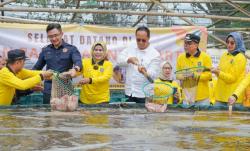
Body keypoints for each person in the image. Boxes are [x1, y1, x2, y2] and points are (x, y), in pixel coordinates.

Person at [33, 23, 82, 104]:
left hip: (65, 89)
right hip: (49, 90)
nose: (54, 38)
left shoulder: (71, 49)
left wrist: (75, 69)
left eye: (56, 35)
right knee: (48, 114)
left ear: (61, 34)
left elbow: (78, 61)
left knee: (65, 115)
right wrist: (29, 80)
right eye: (50, 36)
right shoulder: (45, 50)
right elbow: (36, 68)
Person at [117, 26, 160, 103]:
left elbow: (154, 75)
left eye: (143, 40)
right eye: (138, 40)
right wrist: (129, 60)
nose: (140, 42)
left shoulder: (155, 54)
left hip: (145, 95)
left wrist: (145, 71)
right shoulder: (130, 48)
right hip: (129, 93)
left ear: (148, 38)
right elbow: (119, 61)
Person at [211, 32, 246, 108]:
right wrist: (216, 71)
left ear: (238, 43)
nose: (229, 45)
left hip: (233, 99)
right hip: (220, 97)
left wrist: (218, 72)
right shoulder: (224, 55)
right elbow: (220, 75)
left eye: (232, 43)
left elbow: (232, 78)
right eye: (227, 42)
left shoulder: (240, 58)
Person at [176, 33, 212, 106]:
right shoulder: (180, 57)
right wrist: (184, 76)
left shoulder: (205, 57)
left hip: (202, 98)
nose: (185, 45)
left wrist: (194, 75)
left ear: (196, 45)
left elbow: (209, 75)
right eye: (185, 43)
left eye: (189, 43)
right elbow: (177, 75)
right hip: (186, 98)